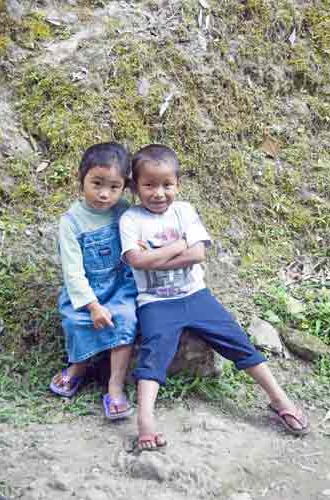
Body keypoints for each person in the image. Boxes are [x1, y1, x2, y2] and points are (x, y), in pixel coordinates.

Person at [119, 144, 310, 449]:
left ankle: (279, 399)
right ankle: (146, 421)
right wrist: (178, 245)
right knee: (154, 354)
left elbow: (198, 254)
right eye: (149, 185)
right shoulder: (131, 219)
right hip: (155, 302)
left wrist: (157, 253)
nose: (159, 193)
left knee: (237, 340)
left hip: (196, 295)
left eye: (167, 185)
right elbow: (136, 261)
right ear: (135, 187)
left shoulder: (184, 211)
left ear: (177, 184)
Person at [50, 142, 138, 420]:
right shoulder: (72, 222)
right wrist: (92, 305)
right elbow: (73, 273)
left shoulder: (125, 211)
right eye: (96, 183)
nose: (104, 194)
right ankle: (79, 366)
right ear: (81, 179)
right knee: (76, 322)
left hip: (120, 286)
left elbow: (137, 241)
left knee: (125, 318)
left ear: (124, 187)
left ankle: (115, 384)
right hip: (86, 292)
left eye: (114, 187)